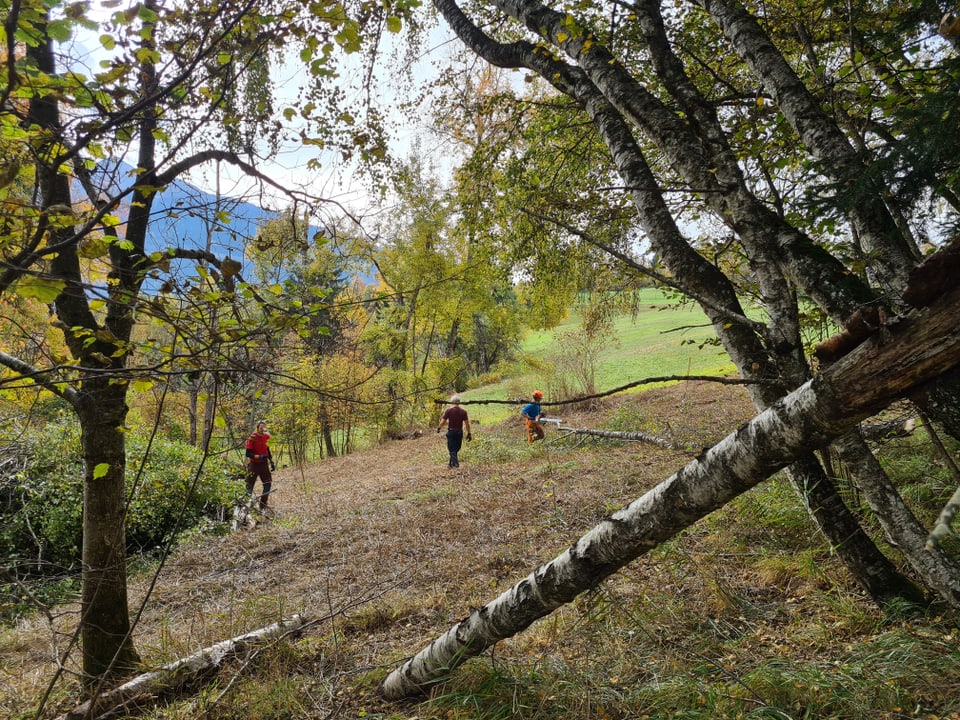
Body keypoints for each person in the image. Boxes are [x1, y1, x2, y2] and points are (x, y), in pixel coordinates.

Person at [244, 419, 275, 509]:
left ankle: (263, 505)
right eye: (261, 427)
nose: (263, 429)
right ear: (257, 427)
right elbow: (248, 453)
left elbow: (267, 449)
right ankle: (246, 506)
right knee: (249, 486)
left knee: (267, 483)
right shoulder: (252, 437)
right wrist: (258, 456)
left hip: (264, 464)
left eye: (264, 427)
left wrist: (271, 461)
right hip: (253, 464)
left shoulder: (266, 437)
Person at [437, 395, 472, 468]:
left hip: (451, 432)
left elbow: (443, 422)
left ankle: (455, 463)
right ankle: (451, 465)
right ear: (459, 402)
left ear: (452, 402)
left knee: (451, 449)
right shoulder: (463, 412)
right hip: (459, 432)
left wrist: (439, 428)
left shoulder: (448, 411)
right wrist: (469, 433)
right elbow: (467, 424)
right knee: (456, 448)